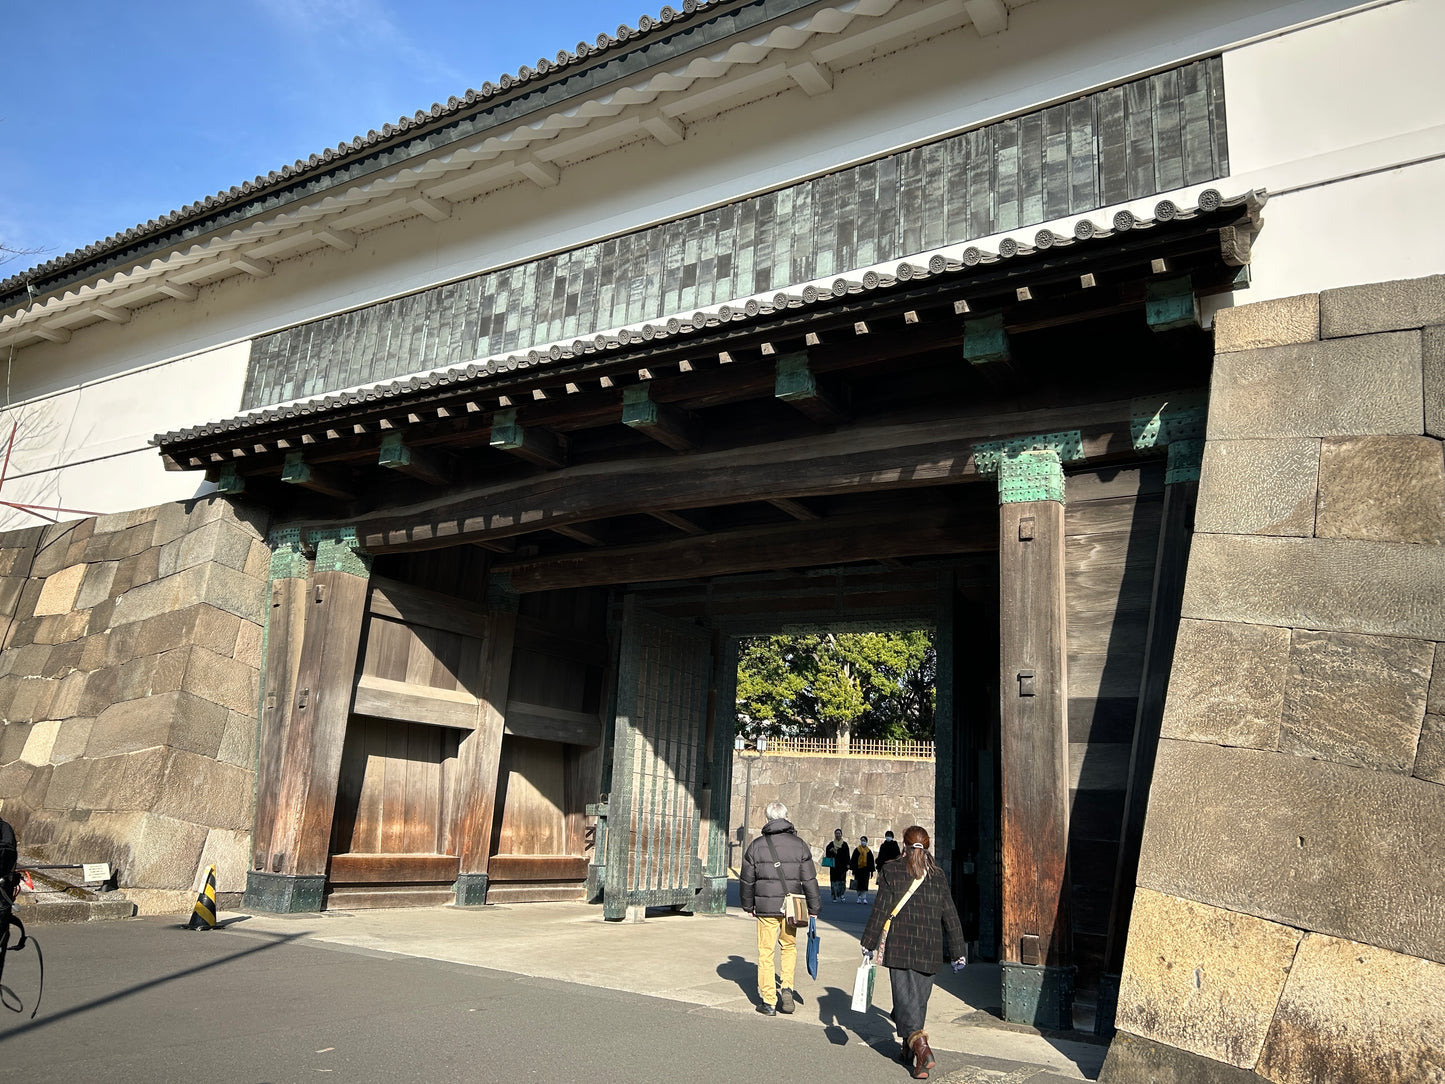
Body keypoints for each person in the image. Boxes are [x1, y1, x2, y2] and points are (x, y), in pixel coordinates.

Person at [859, 825, 966, 1081]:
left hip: (901, 945)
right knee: (916, 999)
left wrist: (869, 942)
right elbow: (949, 913)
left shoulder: (892, 869)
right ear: (926, 846)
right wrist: (957, 951)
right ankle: (907, 1049)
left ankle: (921, 1046)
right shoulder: (937, 875)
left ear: (904, 845)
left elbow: (881, 909)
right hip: (929, 947)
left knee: (905, 997)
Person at [741, 801, 821, 1017]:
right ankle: (787, 988)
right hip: (792, 907)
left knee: (766, 952)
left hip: (766, 907)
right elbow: (810, 880)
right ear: (786, 817)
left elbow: (747, 880)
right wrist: (814, 907)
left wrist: (748, 904)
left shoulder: (756, 846)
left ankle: (768, 1001)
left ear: (767, 819)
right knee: (788, 946)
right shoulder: (800, 845)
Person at [824, 828, 850, 902]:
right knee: (834, 881)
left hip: (842, 866)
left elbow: (847, 855)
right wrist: (831, 851)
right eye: (836, 833)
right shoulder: (831, 844)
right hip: (834, 866)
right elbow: (827, 852)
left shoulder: (844, 844)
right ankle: (834, 896)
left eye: (839, 833)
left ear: (841, 834)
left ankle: (842, 894)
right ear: (834, 834)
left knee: (842, 881)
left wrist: (848, 864)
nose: (838, 835)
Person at [852, 834, 876, 904]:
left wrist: (871, 871)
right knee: (858, 884)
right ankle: (859, 897)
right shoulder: (857, 850)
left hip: (866, 870)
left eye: (864, 840)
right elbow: (853, 860)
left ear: (866, 841)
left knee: (865, 884)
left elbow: (871, 861)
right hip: (858, 869)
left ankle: (864, 897)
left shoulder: (869, 851)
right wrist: (853, 869)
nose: (863, 842)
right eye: (862, 840)